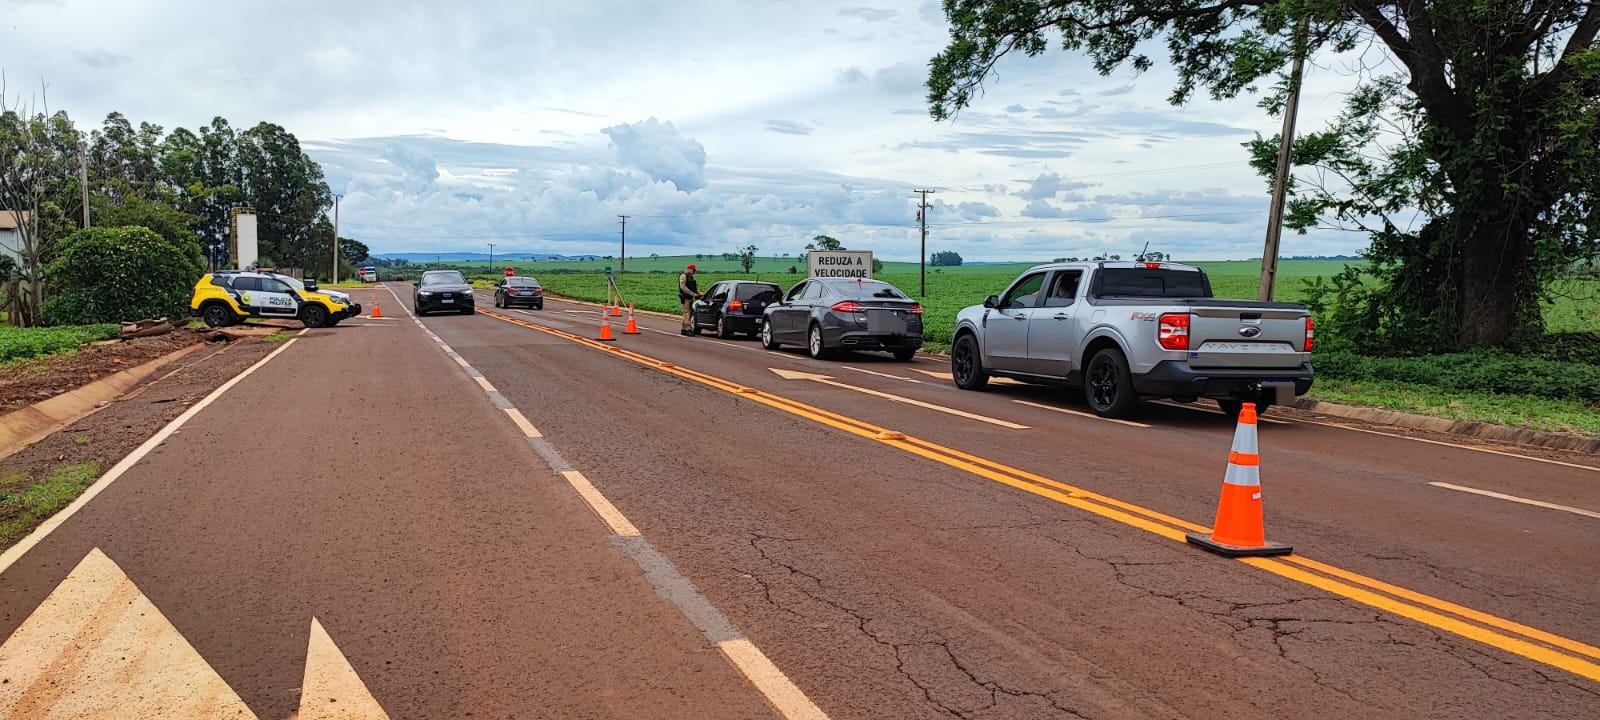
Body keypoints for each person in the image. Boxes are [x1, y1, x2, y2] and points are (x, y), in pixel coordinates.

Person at [678, 263, 702, 335]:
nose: (694, 272)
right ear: (690, 269)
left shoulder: (690, 277)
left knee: (689, 312)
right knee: (687, 312)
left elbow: (693, 287)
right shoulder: (683, 275)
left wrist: (698, 293)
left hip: (690, 297)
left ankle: (684, 328)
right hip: (685, 297)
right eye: (693, 270)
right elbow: (683, 287)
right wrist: (693, 294)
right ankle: (688, 328)